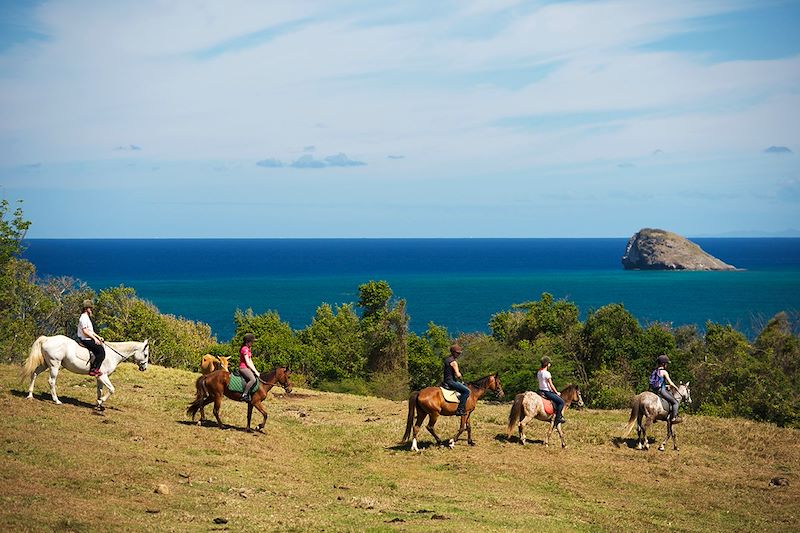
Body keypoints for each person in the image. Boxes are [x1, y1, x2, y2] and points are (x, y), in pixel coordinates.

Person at [77, 299, 105, 377]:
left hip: (88, 337)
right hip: (85, 339)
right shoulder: (83, 318)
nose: (91, 310)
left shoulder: (86, 317)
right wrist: (95, 339)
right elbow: (85, 331)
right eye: (90, 308)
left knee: (100, 348)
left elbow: (90, 331)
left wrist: (98, 337)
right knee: (101, 352)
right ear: (86, 309)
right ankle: (94, 370)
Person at [537, 356, 566, 425]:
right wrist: (556, 392)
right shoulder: (547, 373)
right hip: (547, 392)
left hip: (540, 391)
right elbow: (551, 385)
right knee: (561, 402)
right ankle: (558, 418)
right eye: (549, 363)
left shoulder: (539, 372)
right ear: (547, 364)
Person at [443, 344, 470, 416]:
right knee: (466, 391)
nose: (459, 354)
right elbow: (458, 374)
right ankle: (460, 410)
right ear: (454, 352)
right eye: (458, 353)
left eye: (459, 353)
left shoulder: (447, 359)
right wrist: (461, 378)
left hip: (445, 380)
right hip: (451, 381)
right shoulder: (454, 362)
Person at [653, 354, 681, 423]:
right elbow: (671, 383)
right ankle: (674, 418)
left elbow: (658, 383)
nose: (667, 365)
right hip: (661, 391)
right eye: (666, 364)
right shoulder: (664, 372)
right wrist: (676, 387)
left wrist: (666, 385)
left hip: (654, 390)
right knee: (675, 402)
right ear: (663, 364)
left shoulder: (655, 371)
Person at [238, 333, 258, 403]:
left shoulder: (248, 349)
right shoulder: (245, 349)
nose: (252, 343)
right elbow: (248, 362)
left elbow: (250, 360)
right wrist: (255, 371)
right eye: (251, 342)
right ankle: (244, 395)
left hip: (247, 367)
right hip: (243, 368)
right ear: (247, 342)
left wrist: (255, 370)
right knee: (253, 379)